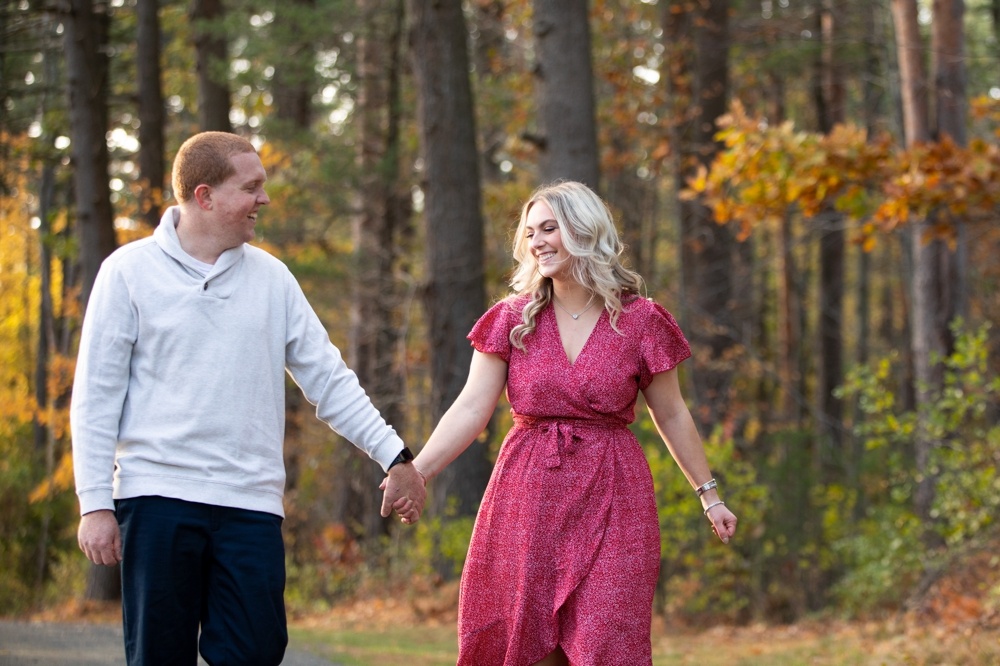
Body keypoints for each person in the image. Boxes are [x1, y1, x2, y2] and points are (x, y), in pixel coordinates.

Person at [71, 131, 425, 666]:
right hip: (156, 499)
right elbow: (96, 396)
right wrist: (95, 502)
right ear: (205, 195)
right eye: (251, 187)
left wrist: (395, 456)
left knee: (255, 652)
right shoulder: (127, 273)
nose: (264, 199)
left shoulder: (273, 280)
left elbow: (329, 380)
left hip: (249, 506)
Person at [401, 181, 737, 666]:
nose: (536, 241)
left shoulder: (641, 321)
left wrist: (710, 495)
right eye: (530, 231)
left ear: (583, 230)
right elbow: (471, 406)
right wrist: (419, 470)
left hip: (614, 496)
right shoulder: (511, 318)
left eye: (549, 228)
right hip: (528, 494)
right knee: (527, 644)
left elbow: (671, 413)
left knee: (607, 638)